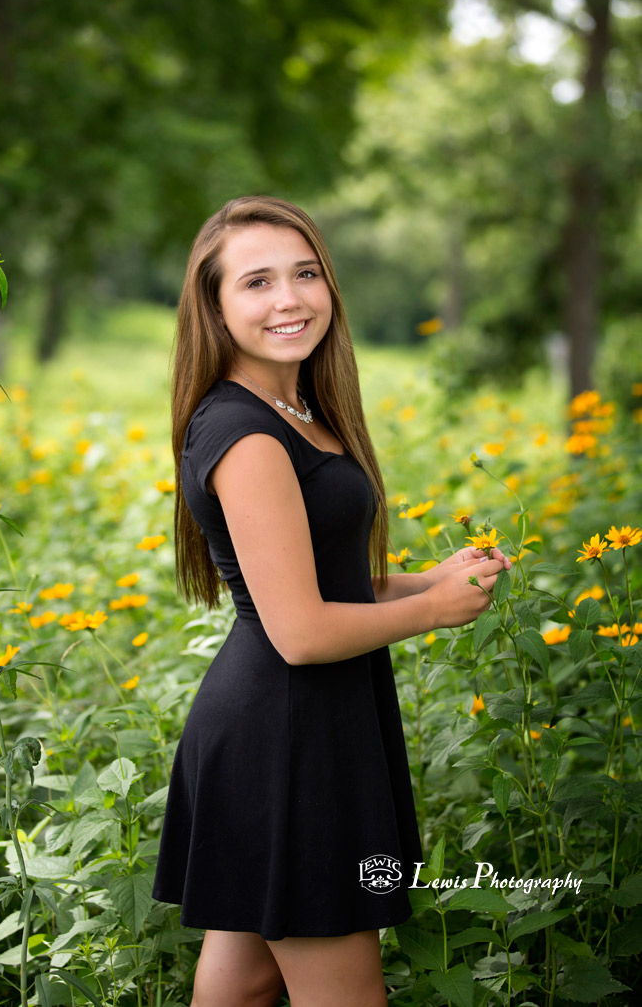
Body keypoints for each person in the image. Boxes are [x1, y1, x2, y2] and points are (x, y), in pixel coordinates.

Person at [152, 196, 511, 1007]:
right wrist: (434, 611)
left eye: (305, 272)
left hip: (297, 724)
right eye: (257, 282)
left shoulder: (297, 412)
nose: (290, 299)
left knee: (243, 985)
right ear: (214, 307)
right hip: (285, 741)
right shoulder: (246, 434)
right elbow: (304, 631)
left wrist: (426, 579)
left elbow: (317, 585)